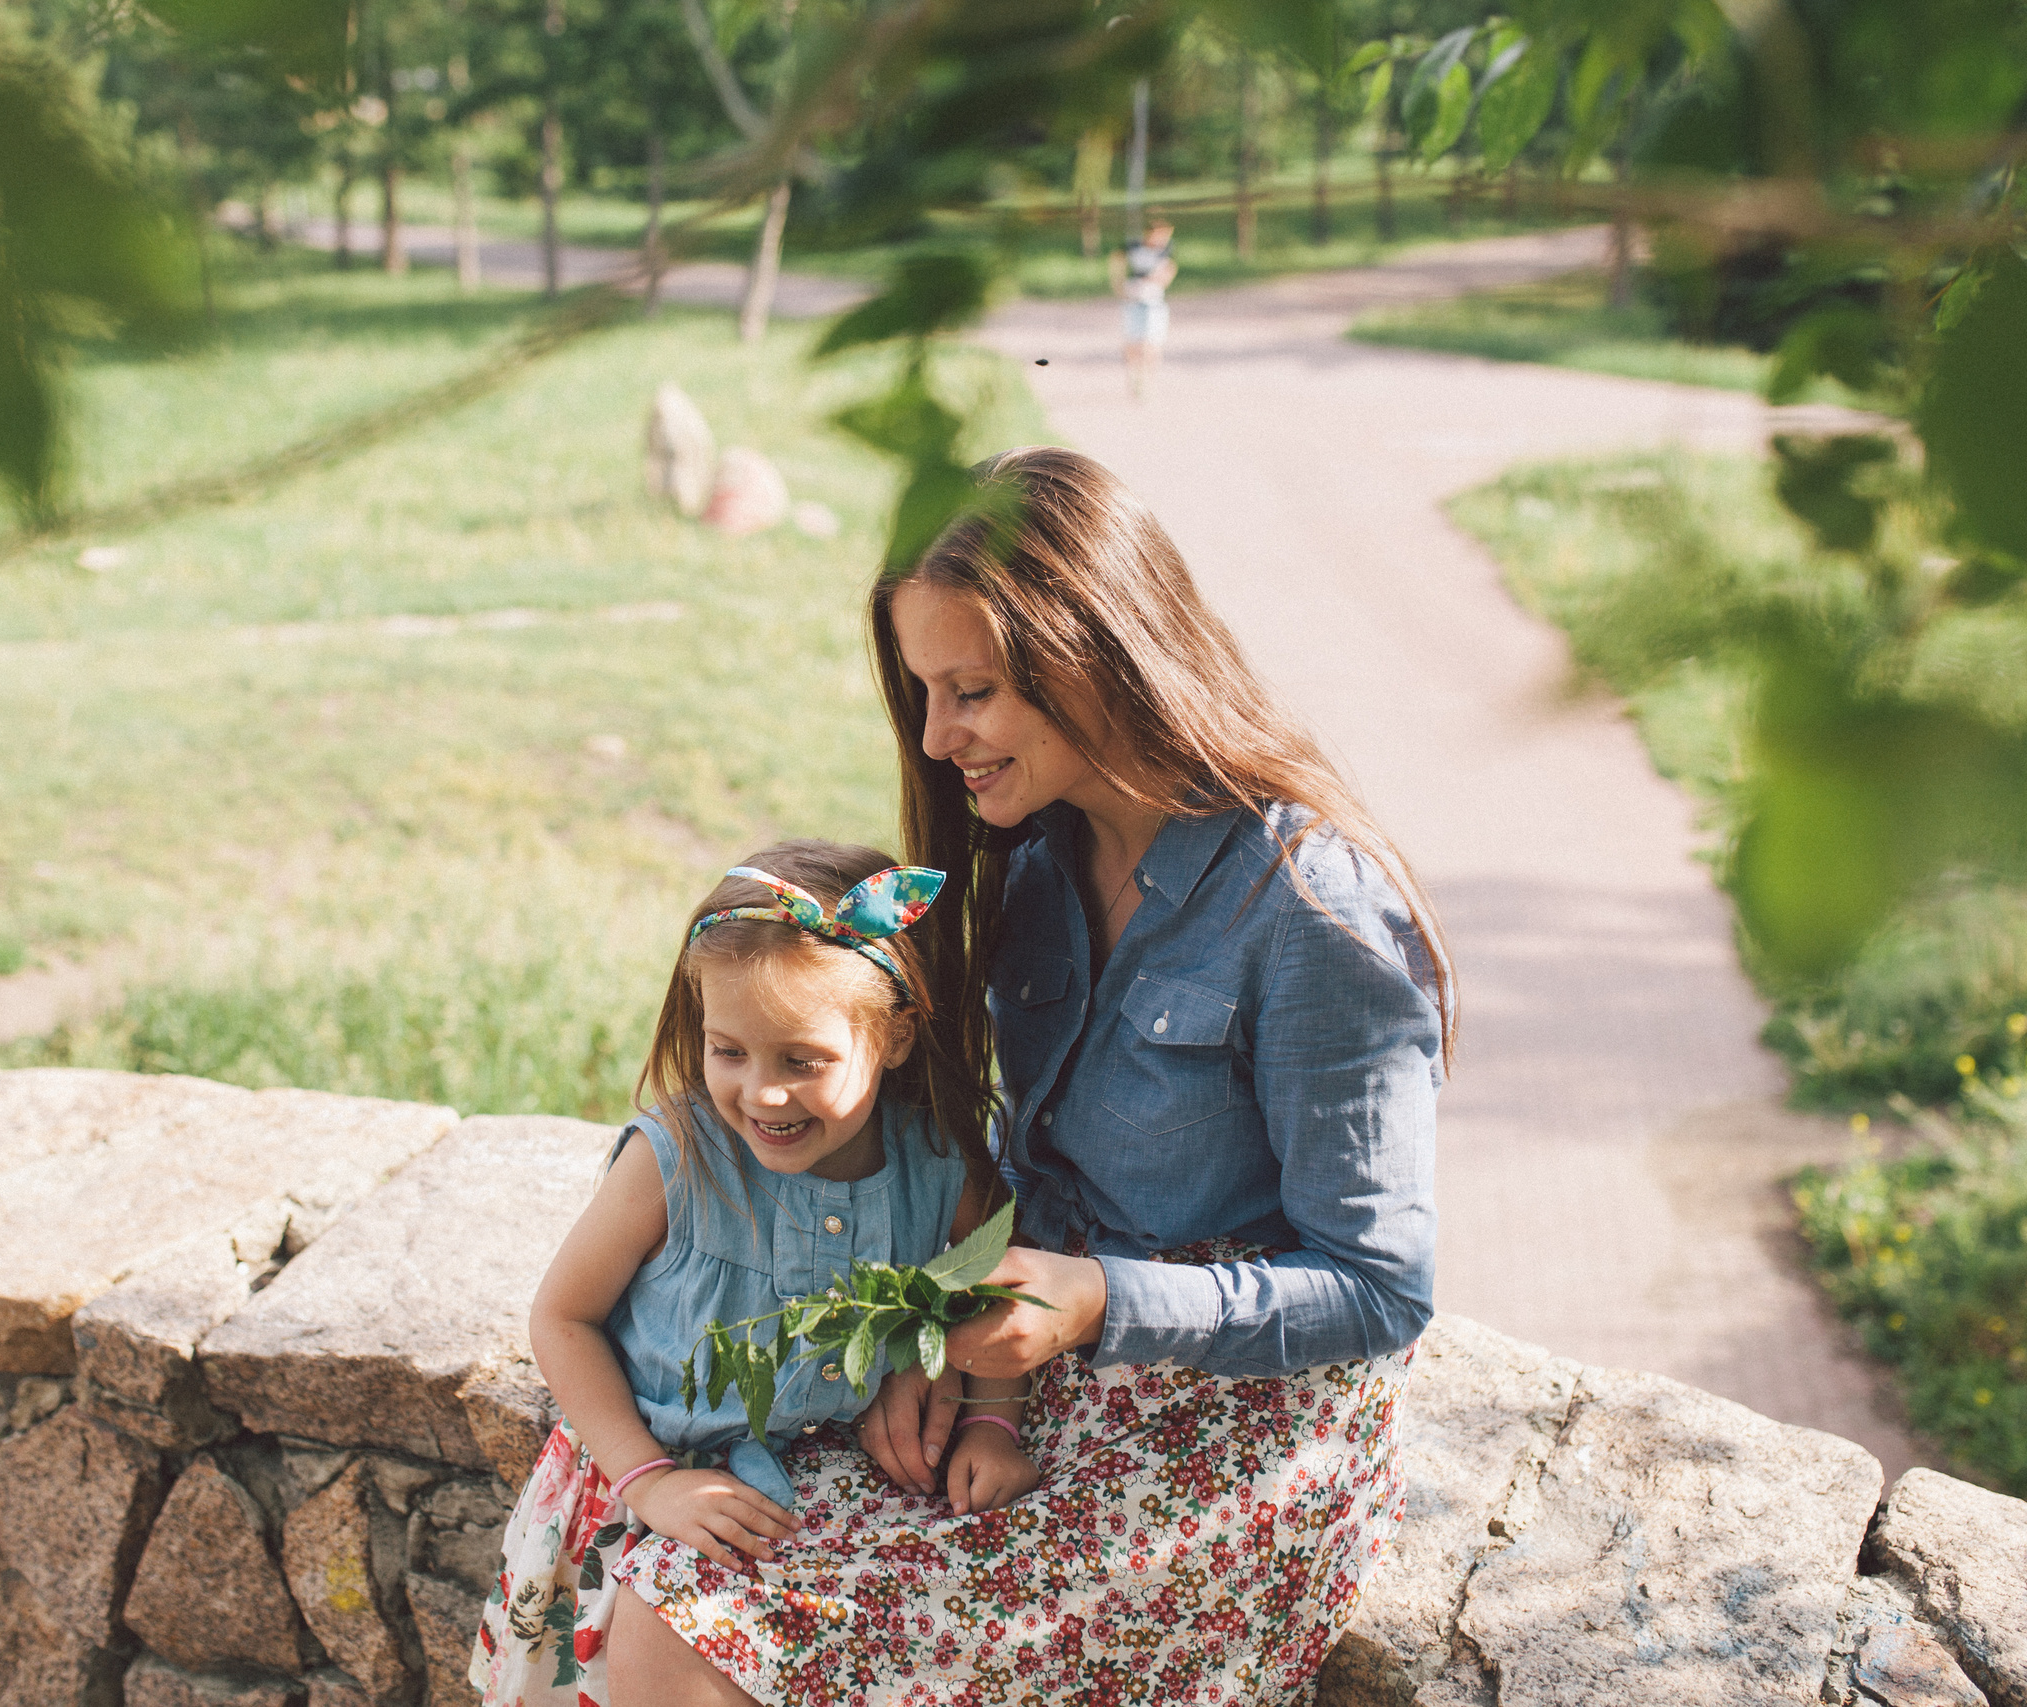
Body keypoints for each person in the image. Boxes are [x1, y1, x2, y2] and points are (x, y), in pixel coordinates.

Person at [612, 445, 1452, 1704]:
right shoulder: (1039, 860)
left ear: (1098, 657)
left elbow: (1380, 1288)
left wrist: (1095, 1301)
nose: (936, 737)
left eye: (974, 692)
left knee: (703, 1633)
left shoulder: (1311, 913)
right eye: (925, 693)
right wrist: (943, 1348)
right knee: (667, 1587)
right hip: (1035, 1371)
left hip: (1228, 1431)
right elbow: (1020, 1171)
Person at [474, 839, 1030, 1707]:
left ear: (892, 1036)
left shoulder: (936, 1165)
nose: (762, 1093)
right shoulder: (676, 1159)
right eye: (729, 1050)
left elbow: (989, 1288)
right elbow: (563, 1317)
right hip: (655, 1476)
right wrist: (651, 1481)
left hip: (836, 1485)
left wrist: (992, 1421)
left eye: (801, 1060)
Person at [1115, 216, 1178, 397]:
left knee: (1152, 344)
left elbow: (1169, 271)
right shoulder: (1135, 248)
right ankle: (1134, 377)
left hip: (1153, 301)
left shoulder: (1165, 252)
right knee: (1132, 343)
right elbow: (1118, 259)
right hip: (1134, 301)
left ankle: (1148, 382)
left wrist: (1157, 280)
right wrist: (1119, 285)